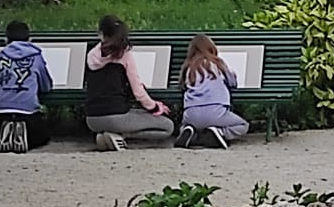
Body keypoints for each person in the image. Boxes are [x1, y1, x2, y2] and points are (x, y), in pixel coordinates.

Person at [84, 14, 174, 151]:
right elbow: (138, 93)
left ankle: (109, 135)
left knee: (132, 116)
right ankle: (121, 136)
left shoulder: (91, 56)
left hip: (92, 120)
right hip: (116, 116)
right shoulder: (124, 56)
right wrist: (155, 107)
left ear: (100, 34)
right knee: (167, 127)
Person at [175, 34, 250, 150]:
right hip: (216, 112)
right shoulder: (218, 64)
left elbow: (182, 86)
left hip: (191, 113)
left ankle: (189, 131)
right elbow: (232, 82)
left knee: (184, 125)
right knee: (242, 125)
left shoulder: (189, 67)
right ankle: (219, 132)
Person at [0, 21, 54, 153]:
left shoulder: (1, 56)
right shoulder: (35, 56)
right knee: (43, 137)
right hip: (27, 111)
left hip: (0, 111)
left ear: (6, 39)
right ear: (29, 39)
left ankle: (5, 132)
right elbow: (46, 85)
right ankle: (21, 133)